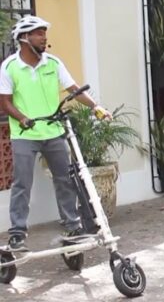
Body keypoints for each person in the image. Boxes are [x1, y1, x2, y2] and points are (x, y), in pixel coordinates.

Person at [0, 15, 111, 252]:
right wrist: (22, 118)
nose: (44, 38)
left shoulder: (53, 63)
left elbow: (74, 89)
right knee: (22, 184)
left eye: (43, 33)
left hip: (54, 131)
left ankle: (72, 226)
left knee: (64, 180)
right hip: (25, 135)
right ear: (24, 38)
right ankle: (18, 233)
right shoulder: (10, 66)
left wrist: (96, 107)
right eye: (38, 34)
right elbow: (5, 102)